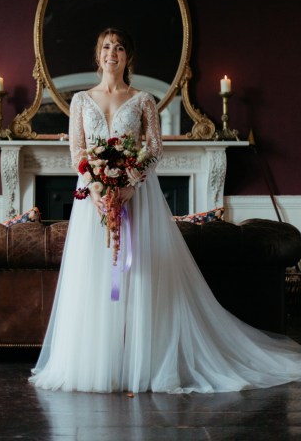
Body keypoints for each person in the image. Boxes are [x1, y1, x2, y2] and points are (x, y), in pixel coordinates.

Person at [30, 27, 301, 394]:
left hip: (136, 198)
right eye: (106, 47)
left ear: (128, 57)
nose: (112, 53)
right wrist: (96, 188)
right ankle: (99, 363)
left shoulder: (143, 100)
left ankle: (141, 360)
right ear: (98, 55)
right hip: (92, 200)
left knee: (139, 274)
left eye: (120, 47)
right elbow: (77, 152)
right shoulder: (80, 100)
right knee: (95, 276)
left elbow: (154, 150)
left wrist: (128, 186)